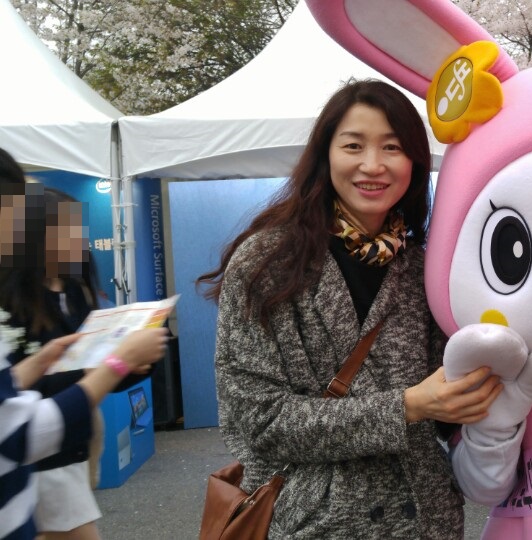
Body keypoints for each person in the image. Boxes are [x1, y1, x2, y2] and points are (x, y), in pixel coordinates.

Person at [198, 79, 502, 538]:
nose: (372, 165)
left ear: (415, 162)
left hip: (425, 519)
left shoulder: (426, 267)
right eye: (353, 145)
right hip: (313, 523)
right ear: (326, 155)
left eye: (392, 147)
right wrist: (405, 408)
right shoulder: (266, 262)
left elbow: (446, 406)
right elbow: (259, 423)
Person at [1, 155, 168, 540]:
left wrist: (135, 363)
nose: (80, 241)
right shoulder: (14, 305)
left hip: (76, 439)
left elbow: (94, 367)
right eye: (67, 232)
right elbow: (21, 399)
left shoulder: (78, 292)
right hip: (42, 449)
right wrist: (112, 365)